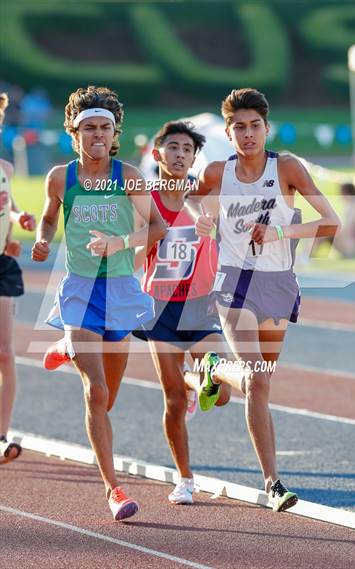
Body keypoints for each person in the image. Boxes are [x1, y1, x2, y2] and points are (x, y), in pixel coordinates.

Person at [186, 88, 341, 512]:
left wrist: (281, 232)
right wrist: (200, 215)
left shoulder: (287, 167)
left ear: (266, 128)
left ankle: (215, 368)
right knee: (255, 378)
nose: (248, 133)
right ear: (228, 132)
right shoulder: (219, 171)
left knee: (263, 382)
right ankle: (273, 483)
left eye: (255, 126)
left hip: (278, 283)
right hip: (234, 283)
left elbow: (331, 222)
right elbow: (192, 195)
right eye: (240, 127)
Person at [32, 85, 166, 520]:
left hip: (121, 290)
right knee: (96, 393)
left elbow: (157, 228)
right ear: (75, 133)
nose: (96, 135)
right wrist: (41, 239)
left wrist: (120, 242)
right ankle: (114, 489)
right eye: (88, 127)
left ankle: (66, 348)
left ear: (115, 134)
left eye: (104, 128)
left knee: (110, 399)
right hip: (80, 291)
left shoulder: (129, 176)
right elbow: (50, 215)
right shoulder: (60, 177)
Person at [132, 120, 231, 505]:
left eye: (186, 150)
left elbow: (230, 237)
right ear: (157, 154)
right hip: (159, 307)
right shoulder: (146, 200)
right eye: (172, 148)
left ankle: (195, 378)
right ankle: (185, 480)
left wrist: (213, 229)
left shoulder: (205, 198)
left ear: (194, 157)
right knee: (173, 399)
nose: (179, 155)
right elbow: (136, 254)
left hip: (200, 304)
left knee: (220, 394)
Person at [0, 91, 36, 464]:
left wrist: (17, 223)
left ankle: (1, 435)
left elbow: (5, 207)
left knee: (5, 353)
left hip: (1, 265)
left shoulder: (5, 169)